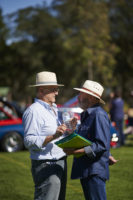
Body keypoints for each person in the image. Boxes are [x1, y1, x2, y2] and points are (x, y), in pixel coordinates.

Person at [63, 80, 112, 200]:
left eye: (81, 94)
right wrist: (72, 130)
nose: (78, 97)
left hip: (94, 171)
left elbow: (100, 145)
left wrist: (75, 152)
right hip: (88, 170)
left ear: (90, 97)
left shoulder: (98, 115)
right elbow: (85, 141)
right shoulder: (88, 114)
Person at [22, 71, 68, 200]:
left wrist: (69, 129)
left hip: (60, 161)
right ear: (41, 90)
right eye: (54, 89)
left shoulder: (53, 108)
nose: (57, 93)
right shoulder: (33, 111)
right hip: (45, 164)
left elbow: (57, 134)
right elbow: (29, 141)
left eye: (57, 89)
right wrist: (54, 136)